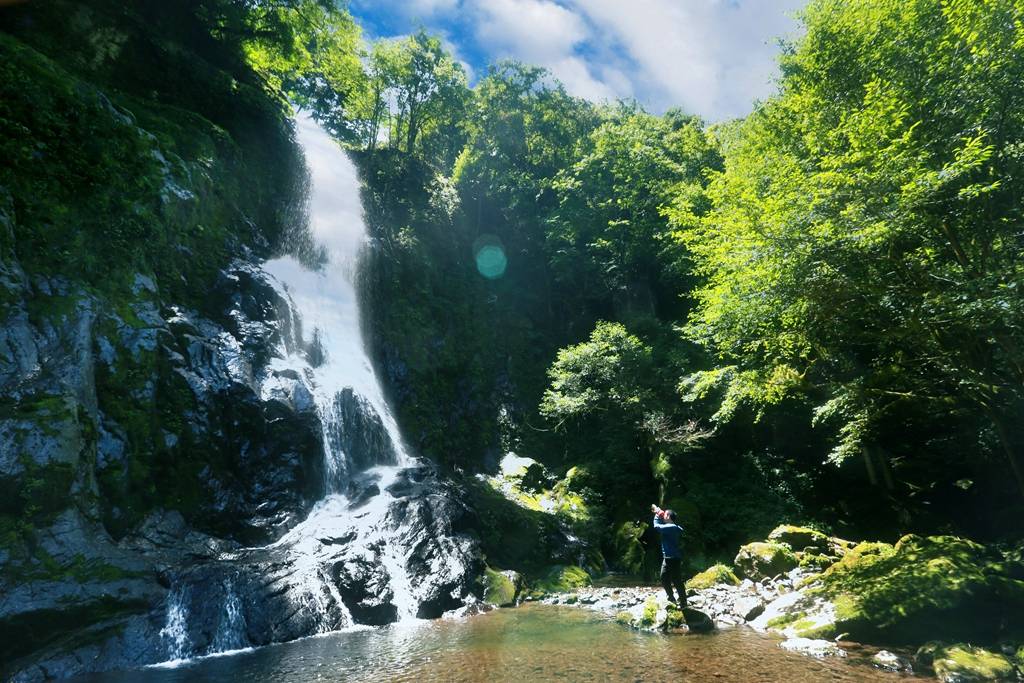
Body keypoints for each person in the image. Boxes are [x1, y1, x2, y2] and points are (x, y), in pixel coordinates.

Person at [651, 503, 687, 606]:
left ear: (668, 517)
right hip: (667, 557)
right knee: (664, 577)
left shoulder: (670, 527)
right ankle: (671, 598)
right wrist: (661, 512)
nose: (663, 516)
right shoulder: (673, 526)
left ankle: (683, 602)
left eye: (665, 515)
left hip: (673, 558)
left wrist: (657, 514)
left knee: (676, 580)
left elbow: (657, 526)